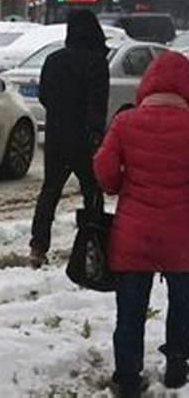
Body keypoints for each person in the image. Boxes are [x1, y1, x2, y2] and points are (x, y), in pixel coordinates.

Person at [93, 51, 189, 397]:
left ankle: (128, 378)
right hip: (183, 237)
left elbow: (104, 173)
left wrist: (122, 187)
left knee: (130, 312)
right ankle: (178, 364)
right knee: (183, 304)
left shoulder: (125, 122)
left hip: (134, 235)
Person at [29, 9, 109, 268]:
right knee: (92, 192)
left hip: (56, 136)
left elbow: (44, 96)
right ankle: (93, 244)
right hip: (85, 140)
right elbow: (98, 104)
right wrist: (96, 136)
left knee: (50, 190)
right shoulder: (96, 62)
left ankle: (38, 247)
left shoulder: (53, 60)